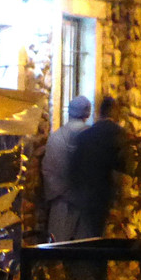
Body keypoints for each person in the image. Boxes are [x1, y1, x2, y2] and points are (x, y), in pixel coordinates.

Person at [67, 95, 129, 239]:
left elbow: (74, 167)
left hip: (84, 194)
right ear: (115, 112)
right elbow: (124, 168)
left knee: (88, 234)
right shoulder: (119, 135)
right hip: (106, 194)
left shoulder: (85, 136)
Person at [41, 95, 91, 242]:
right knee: (84, 251)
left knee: (58, 248)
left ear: (69, 112)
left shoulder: (55, 138)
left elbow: (48, 170)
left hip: (60, 203)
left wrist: (61, 190)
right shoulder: (93, 138)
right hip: (85, 203)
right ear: (87, 114)